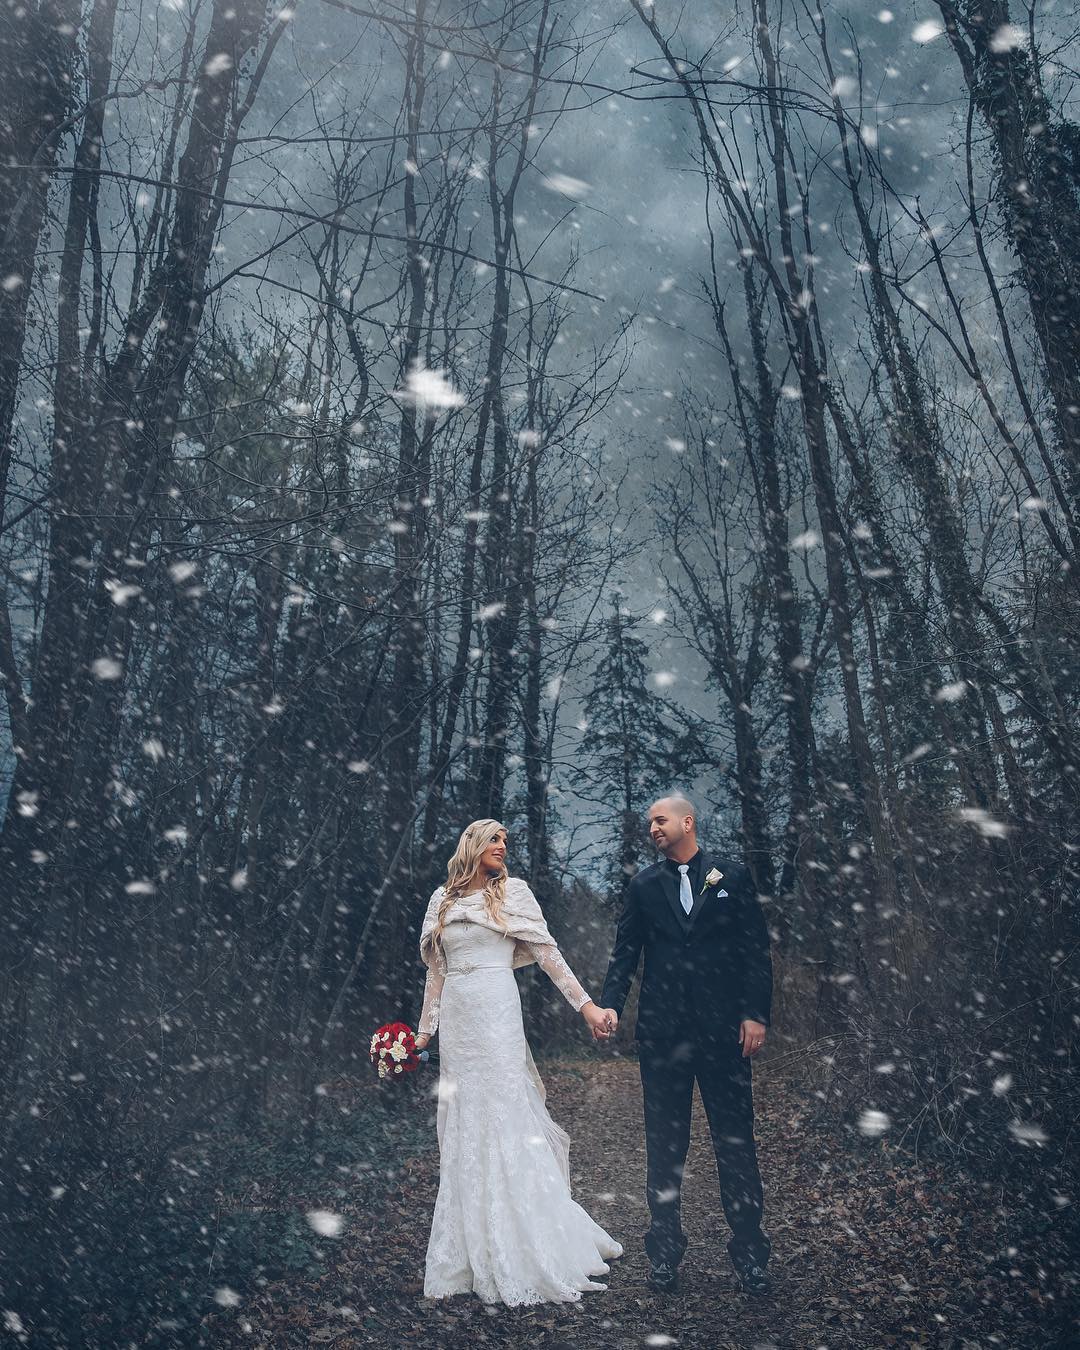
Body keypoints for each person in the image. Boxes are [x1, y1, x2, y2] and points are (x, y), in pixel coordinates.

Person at [415, 818, 623, 1305]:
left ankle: (527, 1240)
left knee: (505, 1112)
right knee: (464, 1121)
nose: (503, 847)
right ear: (472, 844)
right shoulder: (440, 900)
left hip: (496, 1010)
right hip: (460, 1025)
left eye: (506, 840)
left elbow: (550, 956)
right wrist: (423, 1034)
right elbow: (436, 975)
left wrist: (587, 1006)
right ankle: (468, 1249)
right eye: (494, 839)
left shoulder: (515, 894)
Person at [597, 795, 774, 1296]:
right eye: (649, 821)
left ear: (687, 821)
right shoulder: (643, 887)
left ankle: (750, 1255)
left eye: (661, 819)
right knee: (665, 1147)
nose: (653, 827)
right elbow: (625, 953)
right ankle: (665, 1253)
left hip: (725, 1036)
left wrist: (754, 1013)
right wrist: (610, 1004)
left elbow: (755, 951)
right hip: (663, 1036)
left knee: (735, 1144)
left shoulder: (731, 877)